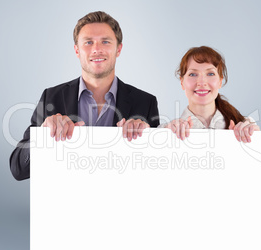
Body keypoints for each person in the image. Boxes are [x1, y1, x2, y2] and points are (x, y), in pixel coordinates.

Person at [10, 11, 159, 181]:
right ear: (77, 50)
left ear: (118, 49)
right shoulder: (51, 97)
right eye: (88, 42)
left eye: (105, 41)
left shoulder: (145, 102)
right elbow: (18, 170)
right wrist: (42, 136)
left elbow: (157, 175)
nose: (97, 49)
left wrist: (149, 142)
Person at [158, 46, 259, 141]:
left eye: (210, 74)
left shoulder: (245, 125)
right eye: (193, 74)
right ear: (182, 82)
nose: (202, 83)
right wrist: (165, 134)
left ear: (220, 81)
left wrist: (256, 139)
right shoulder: (166, 131)